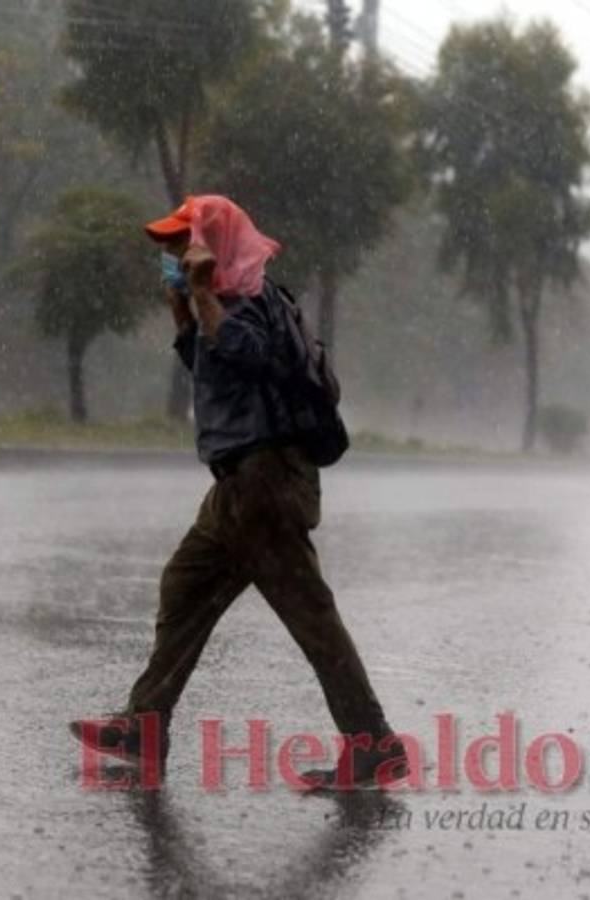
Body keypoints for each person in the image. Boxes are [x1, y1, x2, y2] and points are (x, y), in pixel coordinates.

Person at [70, 195, 406, 789]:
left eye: (182, 242)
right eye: (170, 247)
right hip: (238, 486)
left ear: (213, 242)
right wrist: (185, 306)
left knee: (311, 618)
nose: (173, 255)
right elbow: (213, 369)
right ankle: (143, 728)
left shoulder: (246, 297)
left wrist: (199, 297)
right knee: (185, 587)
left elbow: (249, 356)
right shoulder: (225, 297)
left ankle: (373, 744)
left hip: (266, 482)